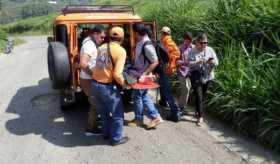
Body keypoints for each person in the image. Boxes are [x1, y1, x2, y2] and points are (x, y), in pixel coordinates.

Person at [91, 26, 129, 146]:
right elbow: (117, 74)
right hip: (107, 87)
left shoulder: (102, 47)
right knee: (118, 113)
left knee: (104, 113)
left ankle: (106, 134)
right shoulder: (121, 51)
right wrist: (125, 84)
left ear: (110, 37)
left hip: (95, 84)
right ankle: (116, 138)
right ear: (121, 38)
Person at [127, 24, 163, 129]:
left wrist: (144, 74)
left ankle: (144, 118)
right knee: (142, 96)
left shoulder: (147, 45)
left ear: (137, 33)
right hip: (138, 74)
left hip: (142, 76)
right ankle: (152, 117)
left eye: (134, 32)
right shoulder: (141, 43)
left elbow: (155, 61)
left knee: (138, 96)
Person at [79, 25, 106, 136]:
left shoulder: (91, 43)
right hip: (88, 79)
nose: (103, 39)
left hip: (89, 78)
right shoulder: (89, 45)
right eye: (102, 37)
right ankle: (91, 129)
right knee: (95, 103)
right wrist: (94, 75)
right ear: (95, 34)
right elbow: (83, 64)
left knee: (95, 102)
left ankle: (94, 122)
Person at [187, 33, 219, 126]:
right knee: (199, 96)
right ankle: (200, 117)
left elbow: (217, 63)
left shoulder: (210, 50)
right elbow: (189, 64)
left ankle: (197, 110)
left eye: (205, 42)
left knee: (202, 95)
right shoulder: (192, 51)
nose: (204, 44)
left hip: (207, 76)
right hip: (196, 76)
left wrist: (212, 62)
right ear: (197, 42)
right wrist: (198, 62)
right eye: (201, 43)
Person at [159, 26, 182, 122]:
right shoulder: (169, 41)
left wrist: (167, 63)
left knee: (167, 90)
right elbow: (176, 54)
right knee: (165, 88)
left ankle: (175, 112)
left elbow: (174, 54)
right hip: (168, 69)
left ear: (163, 33)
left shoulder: (166, 41)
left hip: (165, 69)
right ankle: (165, 103)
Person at [176, 32, 193, 111]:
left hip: (190, 71)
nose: (188, 42)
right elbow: (176, 61)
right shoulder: (179, 48)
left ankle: (181, 105)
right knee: (186, 88)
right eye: (187, 40)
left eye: (190, 41)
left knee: (187, 88)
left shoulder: (193, 47)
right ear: (184, 40)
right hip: (182, 72)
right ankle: (181, 106)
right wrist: (184, 62)